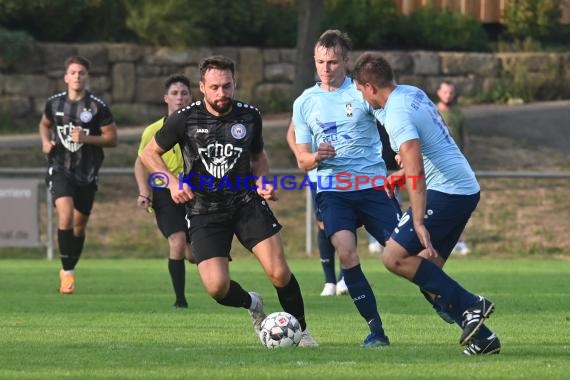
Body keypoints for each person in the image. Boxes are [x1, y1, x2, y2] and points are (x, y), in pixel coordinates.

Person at [141, 55, 317, 347]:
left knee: (279, 271)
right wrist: (172, 183)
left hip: (246, 203)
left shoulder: (249, 116)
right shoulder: (184, 118)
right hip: (204, 210)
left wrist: (263, 181)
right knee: (216, 287)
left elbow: (258, 156)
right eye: (214, 87)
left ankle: (302, 331)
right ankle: (253, 303)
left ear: (235, 84)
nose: (221, 93)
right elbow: (149, 153)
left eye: (226, 86)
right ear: (202, 87)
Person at [352, 52, 500, 355]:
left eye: (359, 90)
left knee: (393, 256)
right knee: (429, 276)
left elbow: (417, 168)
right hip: (462, 188)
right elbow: (431, 146)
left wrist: (418, 221)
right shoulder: (412, 93)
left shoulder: (397, 114)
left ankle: (473, 303)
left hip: (447, 192)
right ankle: (484, 339)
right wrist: (401, 173)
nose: (361, 96)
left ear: (369, 86)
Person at [293, 30, 401, 347]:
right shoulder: (304, 102)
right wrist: (315, 156)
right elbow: (301, 158)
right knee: (346, 250)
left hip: (372, 186)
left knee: (404, 253)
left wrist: (398, 150)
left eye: (332, 62)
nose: (325, 68)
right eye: (320, 62)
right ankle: (376, 329)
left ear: (346, 61)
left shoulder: (360, 92)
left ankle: (448, 303)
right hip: (333, 189)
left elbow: (390, 120)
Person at [39, 55, 118, 294]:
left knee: (79, 226)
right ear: (66, 77)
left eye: (81, 73)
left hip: (87, 172)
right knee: (65, 216)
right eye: (73, 72)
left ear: (87, 77)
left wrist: (86, 138)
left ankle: (70, 266)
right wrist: (45, 142)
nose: (77, 76)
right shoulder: (54, 103)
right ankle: (67, 273)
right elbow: (45, 124)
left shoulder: (97, 106)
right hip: (60, 168)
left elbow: (112, 139)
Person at [134, 74, 195, 308]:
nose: (179, 98)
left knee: (192, 254)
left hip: (194, 192)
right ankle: (180, 300)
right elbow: (141, 161)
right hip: (164, 192)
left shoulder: (198, 126)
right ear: (166, 98)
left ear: (191, 97)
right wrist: (143, 191)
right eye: (175, 93)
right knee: (177, 240)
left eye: (184, 93)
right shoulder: (153, 130)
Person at [286, 123, 348, 296]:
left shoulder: (352, 97)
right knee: (322, 222)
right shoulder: (308, 98)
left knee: (347, 221)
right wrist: (302, 156)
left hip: (348, 172)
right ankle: (329, 281)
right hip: (318, 174)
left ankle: (345, 278)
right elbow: (291, 132)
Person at [436, 80, 470, 255]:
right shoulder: (432, 112)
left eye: (451, 92)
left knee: (458, 202)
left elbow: (465, 139)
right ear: (439, 92)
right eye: (445, 92)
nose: (448, 95)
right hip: (435, 167)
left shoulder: (458, 113)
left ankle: (458, 240)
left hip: (455, 167)